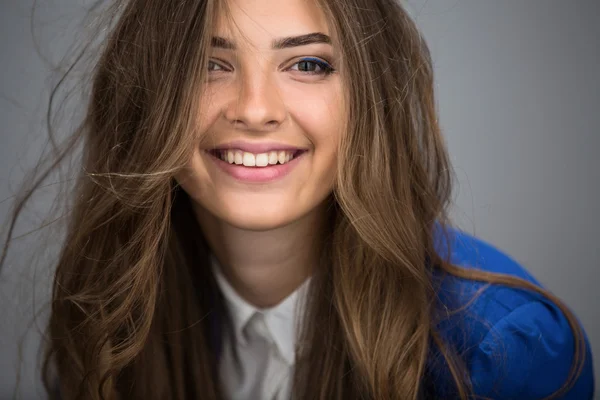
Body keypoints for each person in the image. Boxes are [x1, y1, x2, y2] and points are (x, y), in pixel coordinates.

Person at [1, 0, 594, 399]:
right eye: (208, 64)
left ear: (372, 100)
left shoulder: (505, 353)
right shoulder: (115, 305)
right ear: (145, 97)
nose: (254, 108)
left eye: (308, 64)